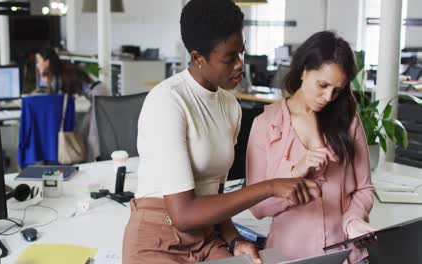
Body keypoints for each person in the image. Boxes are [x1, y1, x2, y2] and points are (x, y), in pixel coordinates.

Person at [122, 1, 323, 263]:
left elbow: (214, 198)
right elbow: (183, 215)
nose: (240, 64)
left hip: (205, 238)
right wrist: (271, 187)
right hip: (158, 239)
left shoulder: (230, 106)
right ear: (197, 58)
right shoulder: (168, 101)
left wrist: (234, 239)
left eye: (241, 52)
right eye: (229, 58)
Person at [246, 31, 374, 264]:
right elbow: (256, 207)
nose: (328, 97)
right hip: (288, 255)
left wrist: (354, 219)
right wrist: (294, 172)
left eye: (337, 90)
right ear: (304, 70)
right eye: (323, 85)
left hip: (345, 253)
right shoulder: (265, 125)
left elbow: (364, 188)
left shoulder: (348, 119)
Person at [35, 48, 110, 160]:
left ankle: (94, 163)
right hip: (97, 93)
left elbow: (56, 101)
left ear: (47, 62)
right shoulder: (60, 71)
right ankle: (86, 160)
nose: (37, 65)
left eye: (38, 61)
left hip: (100, 94)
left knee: (93, 136)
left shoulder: (57, 76)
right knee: (83, 131)